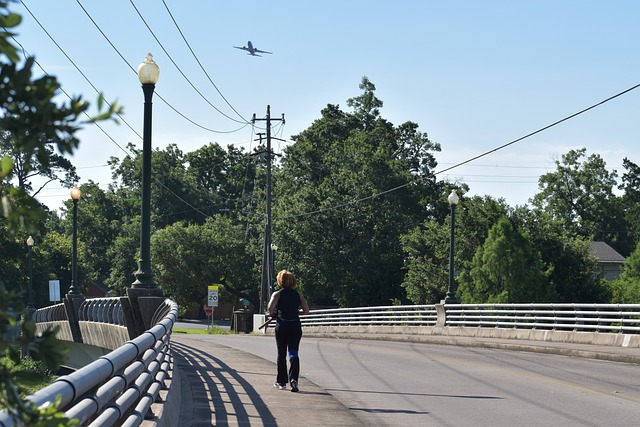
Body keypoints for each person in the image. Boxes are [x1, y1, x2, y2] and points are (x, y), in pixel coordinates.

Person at [267, 269, 310, 392]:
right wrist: (296, 311)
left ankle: (281, 382)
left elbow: (270, 309)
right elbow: (306, 311)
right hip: (295, 326)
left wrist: (276, 313)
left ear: (280, 281)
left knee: (281, 354)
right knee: (293, 352)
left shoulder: (277, 294)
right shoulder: (298, 295)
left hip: (282, 326)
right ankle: (294, 379)